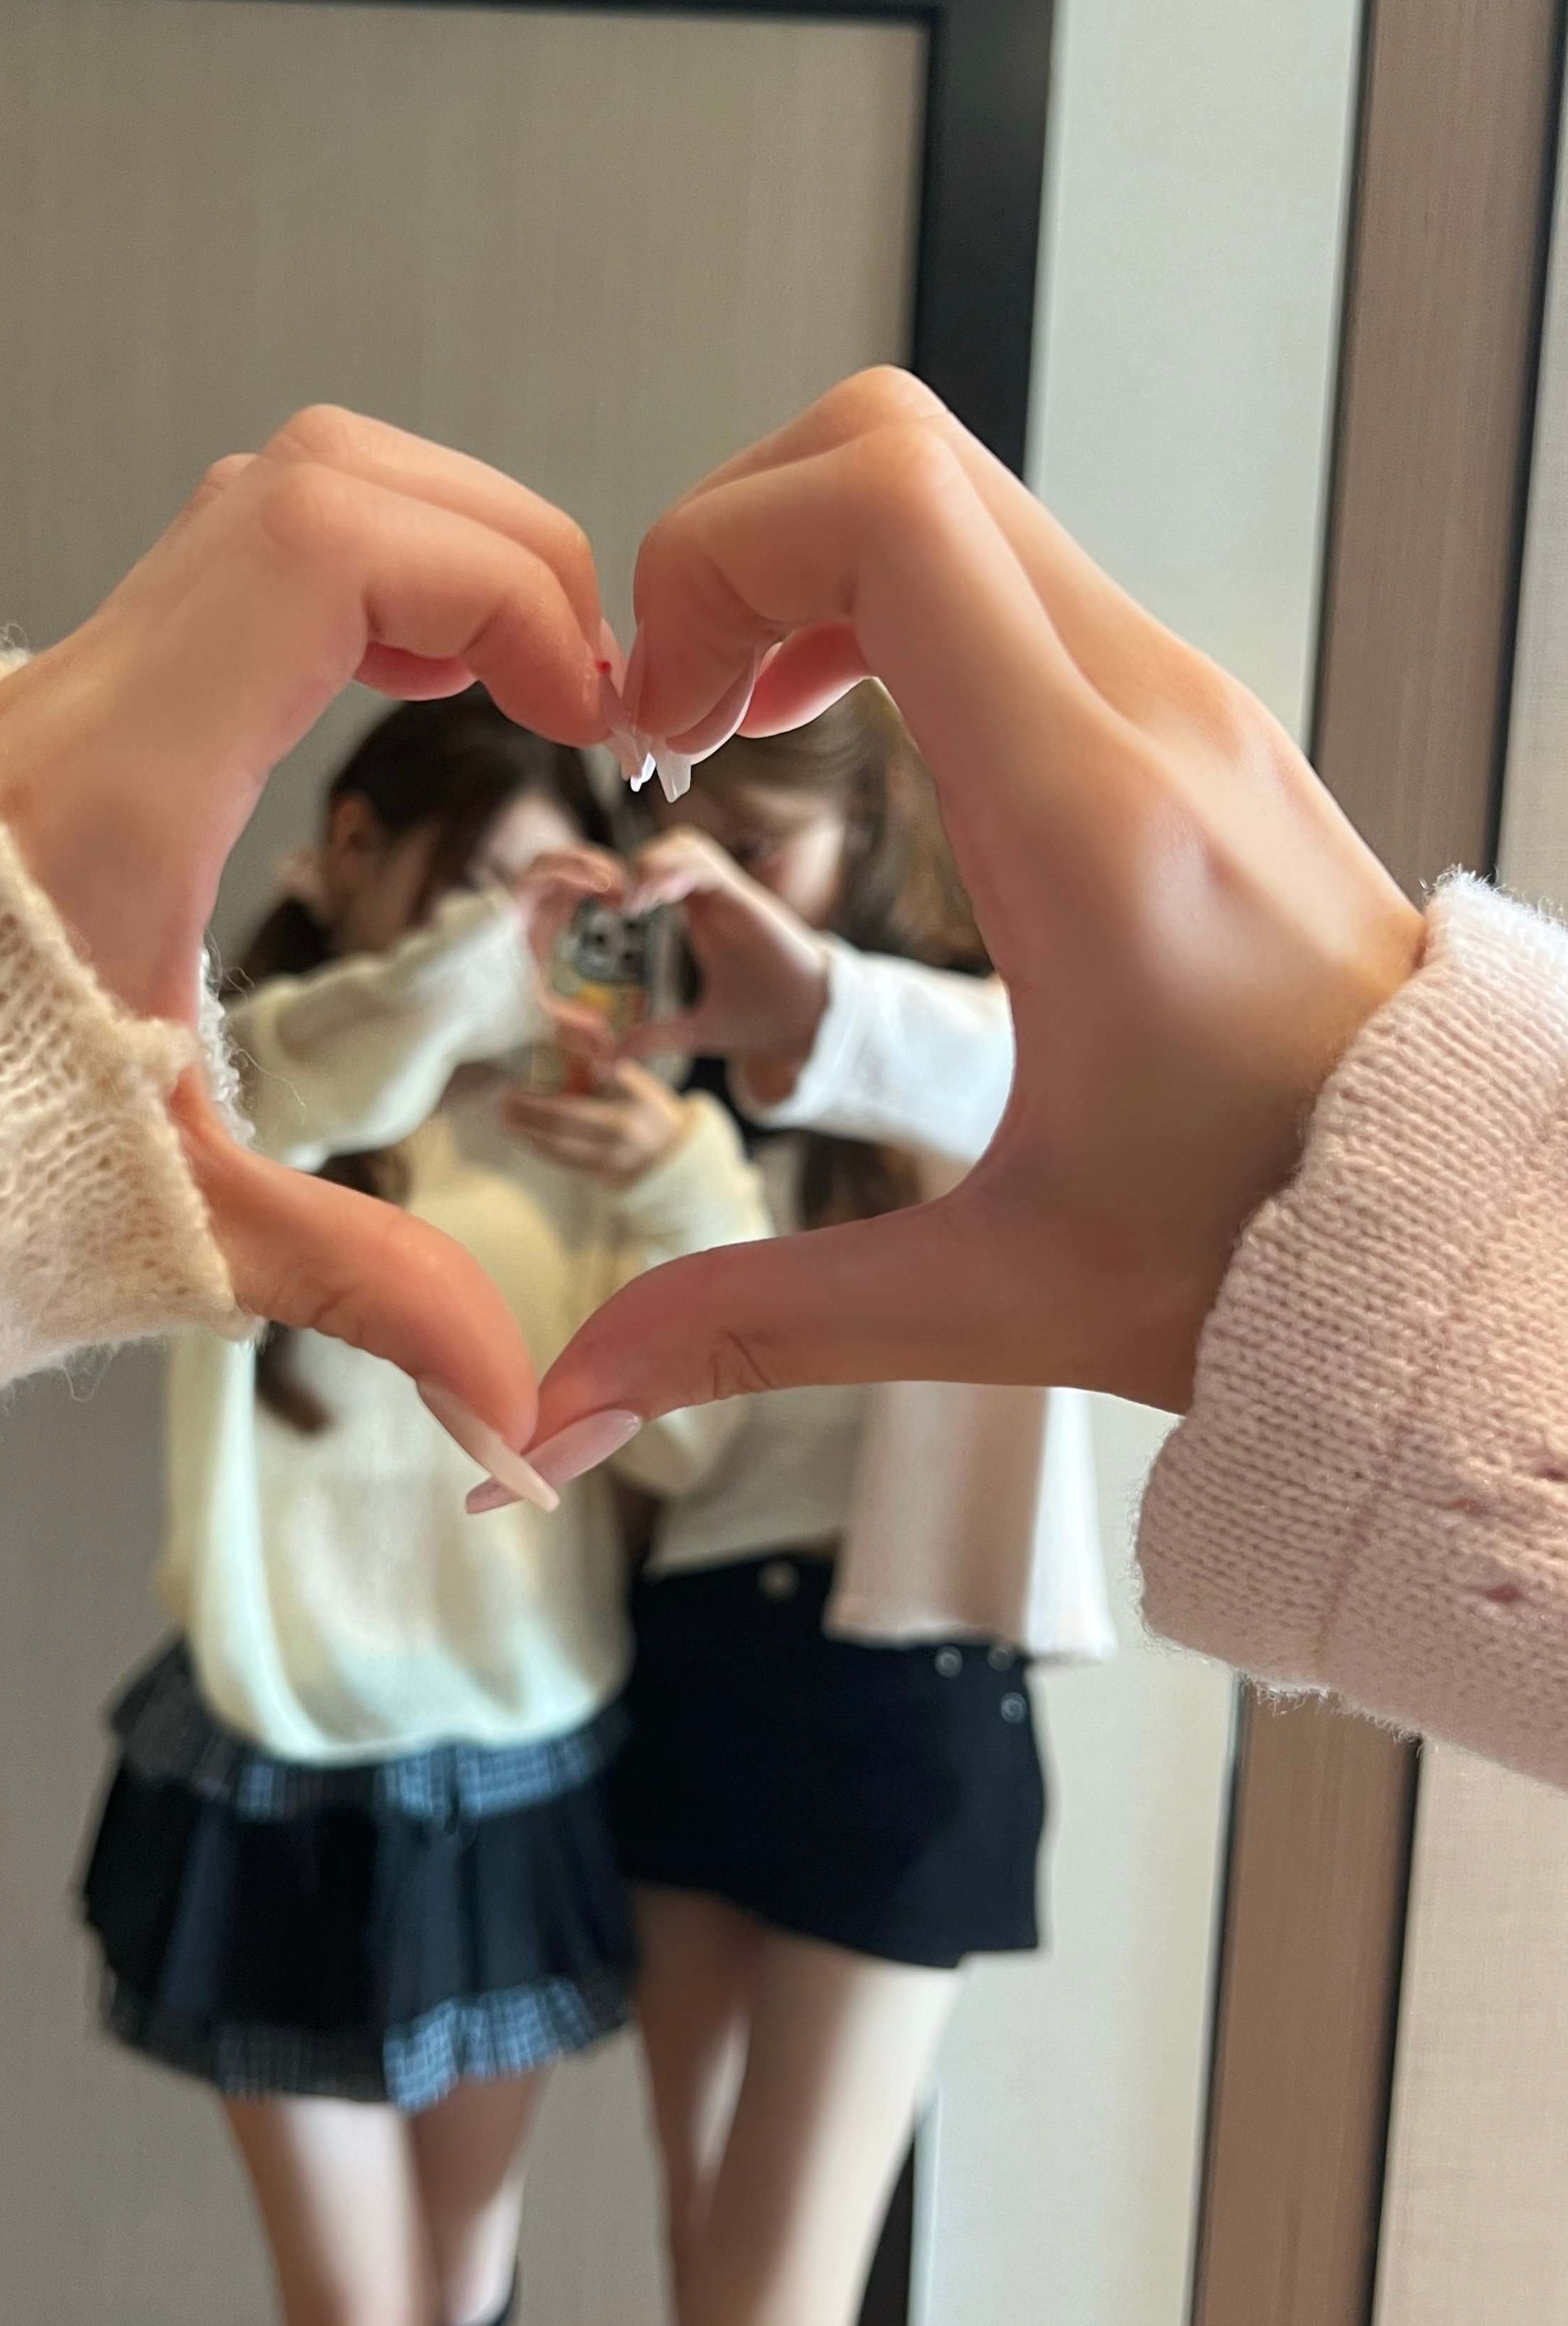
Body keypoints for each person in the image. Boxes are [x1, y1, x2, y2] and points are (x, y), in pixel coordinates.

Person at [0, 376, 1564, 1794]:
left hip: (665, 1701)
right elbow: (324, 1081)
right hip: (346, 1700)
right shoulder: (317, 1059)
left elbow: (676, 1416)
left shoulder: (777, 1076)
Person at [79, 691, 767, 2326]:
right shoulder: (247, 1089)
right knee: (354, 2303)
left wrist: (677, 1174)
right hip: (278, 1751)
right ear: (347, 849)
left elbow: (687, 1454)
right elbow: (318, 1069)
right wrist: (497, 954)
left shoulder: (586, 1143)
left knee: (459, 2285)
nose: (515, 948)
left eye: (551, 908)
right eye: (481, 889)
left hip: (511, 1757)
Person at [502, 685, 1112, 2325]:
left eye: (758, 848)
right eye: (678, 853)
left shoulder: (974, 1038)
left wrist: (807, 994)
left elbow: (1018, 1080)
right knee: (700, 2244)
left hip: (903, 1692)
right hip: (701, 1652)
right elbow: (652, 1451)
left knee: (773, 2290)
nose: (713, 888)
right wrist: (646, 1181)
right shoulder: (679, 1101)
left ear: (870, 824)